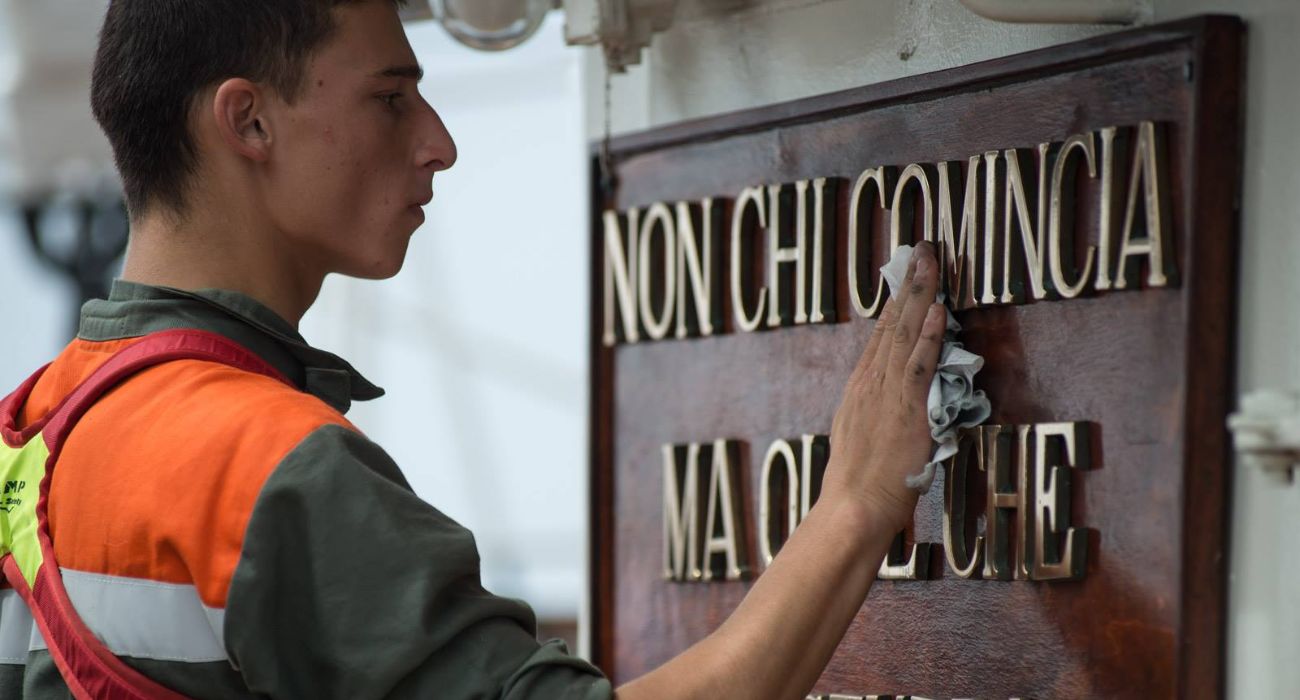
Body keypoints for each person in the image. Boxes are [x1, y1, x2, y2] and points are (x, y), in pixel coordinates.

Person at [0, 1, 946, 698]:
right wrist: (857, 503)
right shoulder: (272, 472)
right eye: (390, 98)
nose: (439, 143)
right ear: (248, 121)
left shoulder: (32, 431)